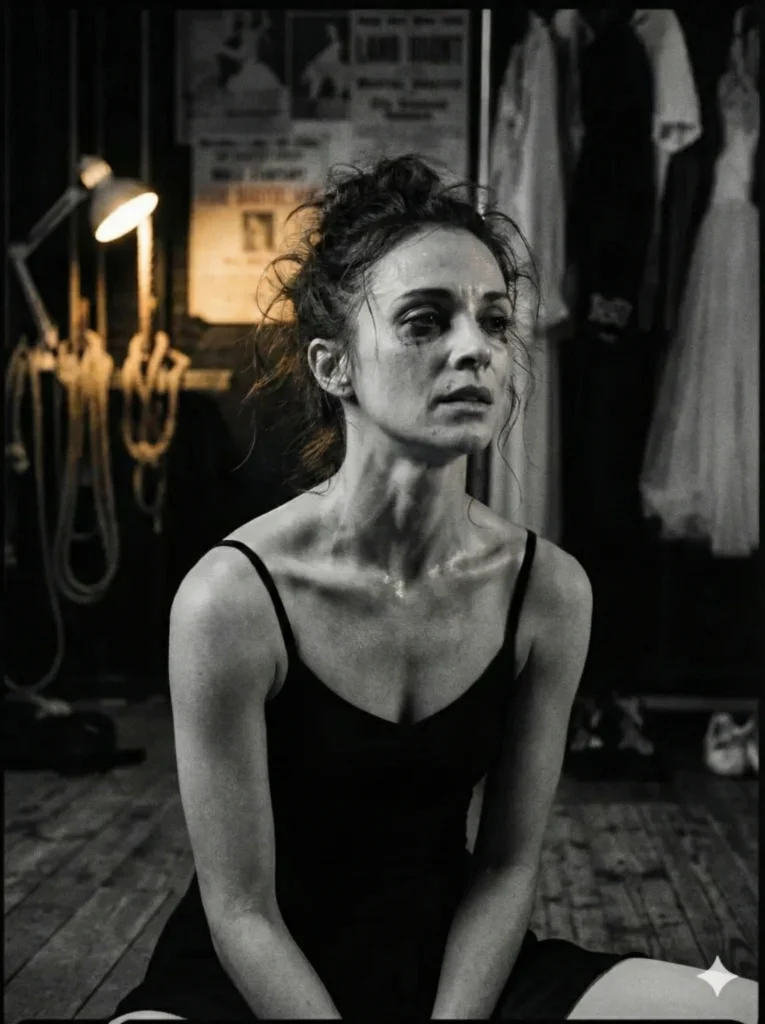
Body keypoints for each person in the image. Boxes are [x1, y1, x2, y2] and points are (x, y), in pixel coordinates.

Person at [109, 156, 758, 1022]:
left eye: (494, 322)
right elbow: (240, 910)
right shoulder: (230, 599)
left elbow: (504, 867)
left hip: (460, 974)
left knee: (737, 1006)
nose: (474, 350)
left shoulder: (547, 591)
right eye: (425, 320)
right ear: (334, 366)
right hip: (249, 983)